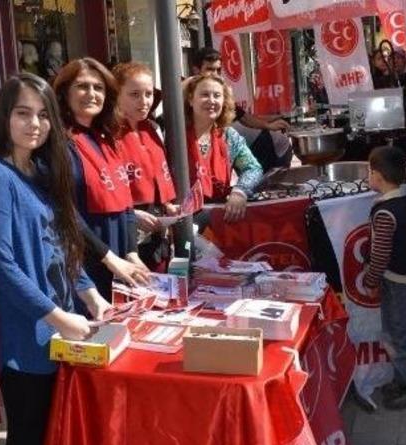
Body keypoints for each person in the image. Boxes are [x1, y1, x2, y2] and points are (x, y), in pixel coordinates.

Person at [0, 73, 111, 445]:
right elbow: (1, 262)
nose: (33, 123)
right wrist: (56, 314)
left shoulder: (39, 171)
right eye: (22, 113)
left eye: (42, 115)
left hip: (58, 328)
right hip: (26, 334)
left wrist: (90, 295)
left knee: (51, 441)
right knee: (27, 443)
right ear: (4, 117)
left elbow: (60, 247)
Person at [53, 57, 149, 299]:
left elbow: (126, 202)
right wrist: (108, 257)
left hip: (119, 260)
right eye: (82, 86)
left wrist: (131, 252)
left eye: (98, 88)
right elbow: (66, 212)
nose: (91, 94)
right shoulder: (58, 143)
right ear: (65, 93)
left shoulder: (107, 139)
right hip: (85, 261)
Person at [363, 146, 406, 410]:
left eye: (369, 171)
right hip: (404, 278)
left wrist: (370, 280)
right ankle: (402, 379)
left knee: (401, 336)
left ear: (377, 175)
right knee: (397, 332)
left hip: (397, 282)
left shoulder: (386, 212)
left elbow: (380, 254)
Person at [112, 61, 179, 271]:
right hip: (127, 227)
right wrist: (131, 215)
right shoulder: (109, 134)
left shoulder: (151, 128)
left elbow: (159, 173)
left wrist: (168, 205)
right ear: (116, 95)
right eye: (134, 94)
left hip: (157, 228)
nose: (144, 101)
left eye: (148, 94)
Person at [194, 48, 292, 172]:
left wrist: (268, 124)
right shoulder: (184, 95)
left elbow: (244, 118)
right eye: (209, 69)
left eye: (218, 70)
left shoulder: (231, 136)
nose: (214, 75)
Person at [183, 74, 263, 222]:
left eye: (217, 95)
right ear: (190, 99)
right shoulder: (175, 137)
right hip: (184, 221)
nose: (212, 101)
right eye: (205, 95)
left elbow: (253, 168)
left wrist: (240, 191)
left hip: (221, 218)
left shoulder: (229, 136)